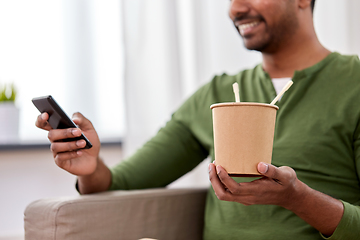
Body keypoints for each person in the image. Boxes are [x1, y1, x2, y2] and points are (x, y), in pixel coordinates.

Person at [36, 0, 360, 239]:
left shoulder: (353, 83)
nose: (235, 8)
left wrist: (298, 199)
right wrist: (89, 166)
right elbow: (120, 183)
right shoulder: (216, 94)